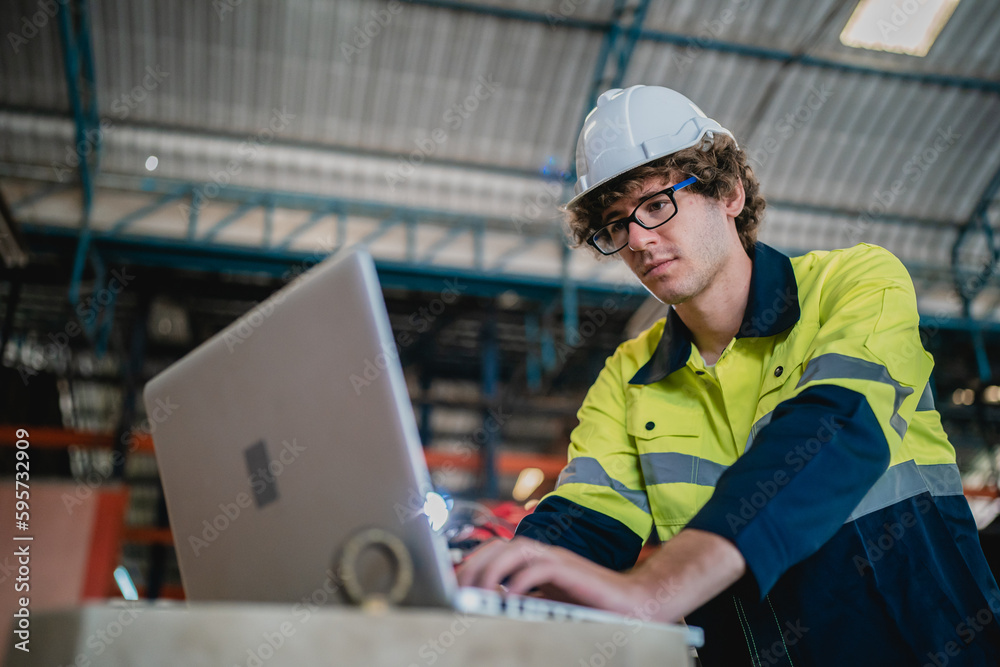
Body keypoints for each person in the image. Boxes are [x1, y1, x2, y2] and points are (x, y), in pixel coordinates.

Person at [457, 85, 1000, 665]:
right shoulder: (629, 374)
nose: (638, 240)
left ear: (729, 194)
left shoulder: (856, 283)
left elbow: (835, 432)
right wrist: (497, 579)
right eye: (616, 225)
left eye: (656, 203)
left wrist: (654, 587)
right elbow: (586, 518)